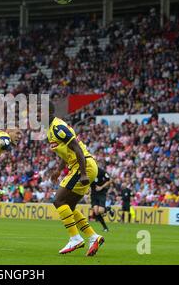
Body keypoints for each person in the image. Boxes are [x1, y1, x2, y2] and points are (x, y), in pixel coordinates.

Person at [46, 103, 104, 256]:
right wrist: (58, 170)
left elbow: (77, 148)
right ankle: (93, 237)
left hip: (83, 166)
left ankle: (75, 238)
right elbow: (67, 152)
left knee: (58, 201)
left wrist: (83, 173)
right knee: (69, 207)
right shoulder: (51, 130)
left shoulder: (58, 128)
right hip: (80, 166)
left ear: (50, 112)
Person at [90, 168, 112, 232]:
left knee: (101, 211)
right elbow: (87, 182)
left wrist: (101, 187)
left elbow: (109, 180)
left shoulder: (101, 171)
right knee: (96, 212)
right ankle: (105, 227)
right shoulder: (89, 171)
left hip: (101, 193)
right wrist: (87, 189)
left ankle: (108, 208)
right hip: (93, 194)